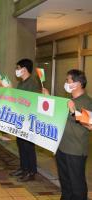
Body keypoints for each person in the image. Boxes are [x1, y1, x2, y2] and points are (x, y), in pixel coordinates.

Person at [43, 69, 92, 200]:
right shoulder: (68, 100)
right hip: (62, 148)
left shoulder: (87, 102)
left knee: (77, 185)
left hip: (75, 151)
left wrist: (73, 112)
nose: (65, 83)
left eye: (68, 80)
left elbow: (90, 125)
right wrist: (47, 98)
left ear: (77, 83)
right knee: (65, 184)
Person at [9, 58, 41, 182]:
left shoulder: (32, 83)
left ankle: (31, 171)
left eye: (18, 68)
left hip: (28, 120)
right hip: (20, 119)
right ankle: (23, 168)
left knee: (28, 146)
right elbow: (17, 99)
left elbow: (30, 102)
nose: (16, 70)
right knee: (21, 144)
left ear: (24, 69)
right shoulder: (21, 83)